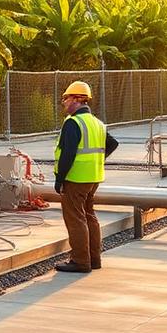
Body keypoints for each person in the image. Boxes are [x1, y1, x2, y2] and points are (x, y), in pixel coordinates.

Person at [53, 80, 119, 273]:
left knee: (75, 219)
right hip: (93, 177)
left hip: (76, 178)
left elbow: (68, 153)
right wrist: (98, 159)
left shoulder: (73, 123)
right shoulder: (97, 123)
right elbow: (113, 143)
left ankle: (80, 261)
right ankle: (94, 259)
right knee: (89, 215)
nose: (63, 103)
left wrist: (59, 179)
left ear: (75, 99)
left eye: (65, 98)